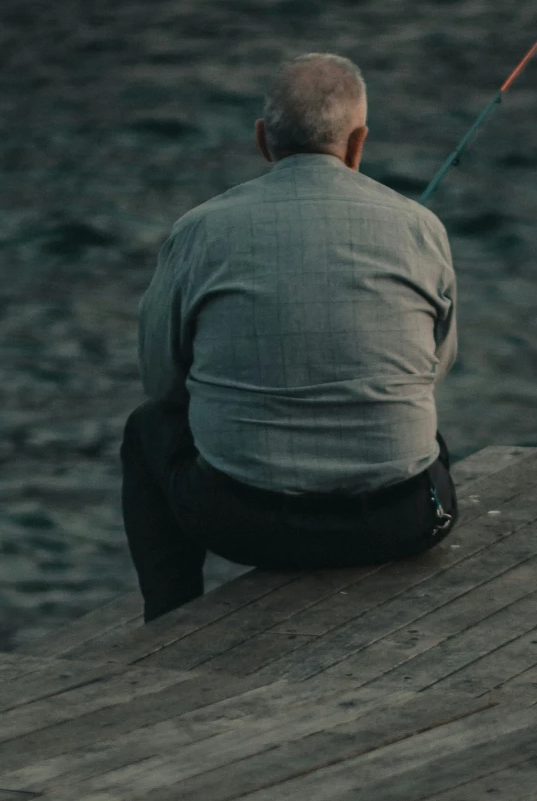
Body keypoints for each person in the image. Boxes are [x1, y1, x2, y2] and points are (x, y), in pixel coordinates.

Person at [122, 52, 459, 621]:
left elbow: (162, 383)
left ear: (262, 140)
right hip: (400, 525)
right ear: (358, 145)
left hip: (245, 526)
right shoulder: (419, 227)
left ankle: (168, 619)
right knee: (429, 435)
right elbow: (434, 366)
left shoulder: (200, 230)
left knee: (145, 429)